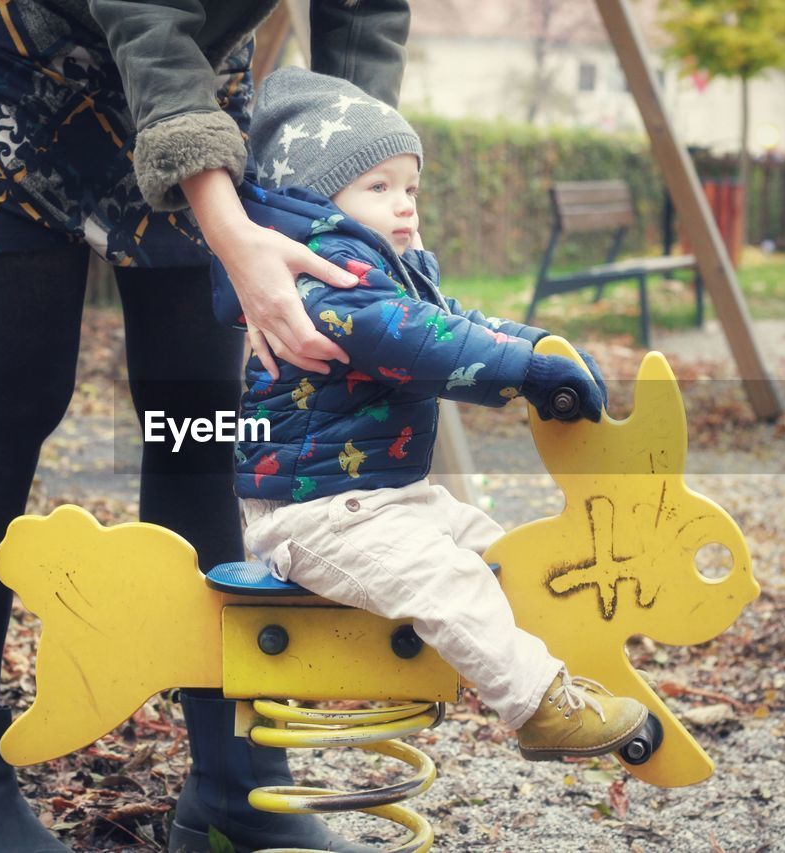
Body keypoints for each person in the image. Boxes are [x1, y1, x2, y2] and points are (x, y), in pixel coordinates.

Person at [0, 3, 409, 852]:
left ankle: (233, 779)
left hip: (197, 71)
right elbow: (143, 17)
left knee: (197, 412)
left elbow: (363, 11)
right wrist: (235, 238)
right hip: (23, 56)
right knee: (16, 392)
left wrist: (341, 177)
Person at [212, 67, 650, 761]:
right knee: (453, 578)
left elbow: (448, 319)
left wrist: (533, 344)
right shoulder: (322, 275)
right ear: (316, 198)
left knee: (499, 554)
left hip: (382, 497)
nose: (406, 204)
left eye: (410, 186)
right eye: (379, 187)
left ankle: (563, 672)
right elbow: (410, 337)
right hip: (313, 515)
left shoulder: (390, 263)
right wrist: (522, 371)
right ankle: (538, 707)